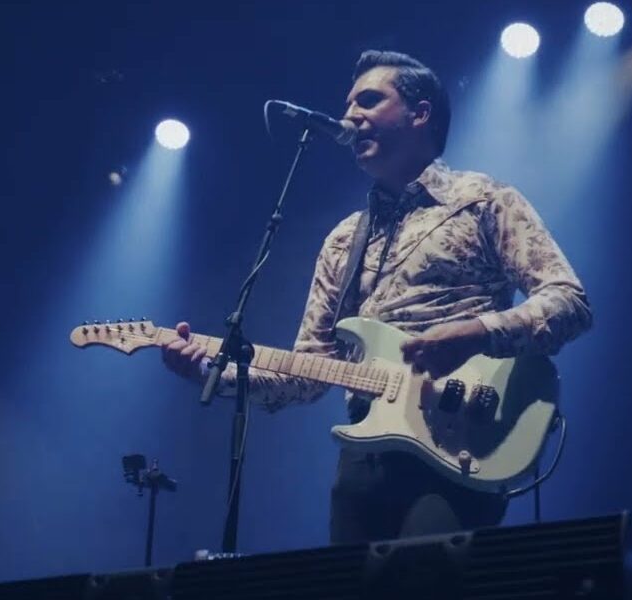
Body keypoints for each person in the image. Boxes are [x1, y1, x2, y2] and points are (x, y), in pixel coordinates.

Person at [160, 50, 592, 544]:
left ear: (420, 113)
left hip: (464, 432)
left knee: (420, 572)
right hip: (367, 448)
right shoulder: (343, 240)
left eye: (368, 101)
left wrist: (476, 334)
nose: (350, 116)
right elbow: (307, 373)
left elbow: (569, 302)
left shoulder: (483, 200)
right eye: (348, 105)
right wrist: (212, 372)